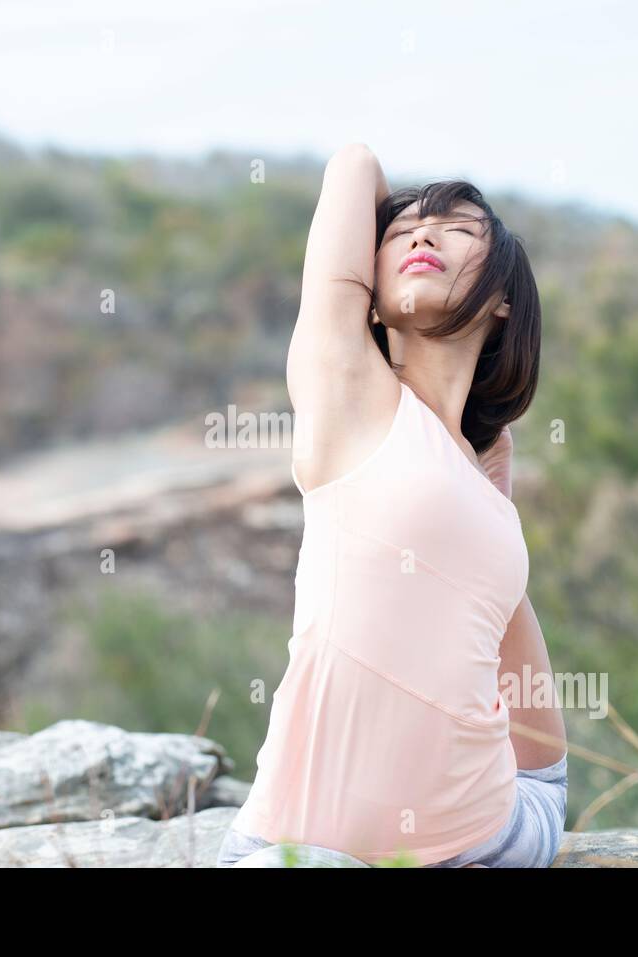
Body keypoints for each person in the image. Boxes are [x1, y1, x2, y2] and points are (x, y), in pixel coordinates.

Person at [216, 143, 568, 868]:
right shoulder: (347, 393)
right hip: (299, 852)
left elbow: (489, 612)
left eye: (460, 228)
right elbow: (352, 163)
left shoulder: (485, 472)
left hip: (499, 835)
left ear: (503, 298)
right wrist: (400, 208)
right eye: (400, 230)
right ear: (368, 289)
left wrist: (542, 778)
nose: (422, 234)